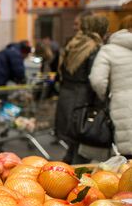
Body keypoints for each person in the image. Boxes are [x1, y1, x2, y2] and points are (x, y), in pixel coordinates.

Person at [55, 15, 109, 164]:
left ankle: (61, 173)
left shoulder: (73, 43)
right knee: (82, 144)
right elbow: (94, 77)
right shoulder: (95, 47)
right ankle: (71, 179)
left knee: (74, 144)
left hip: (67, 96)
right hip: (83, 101)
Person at [89, 15, 132, 159]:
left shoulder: (109, 50)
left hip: (122, 105)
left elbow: (97, 80)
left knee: (127, 160)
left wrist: (106, 97)